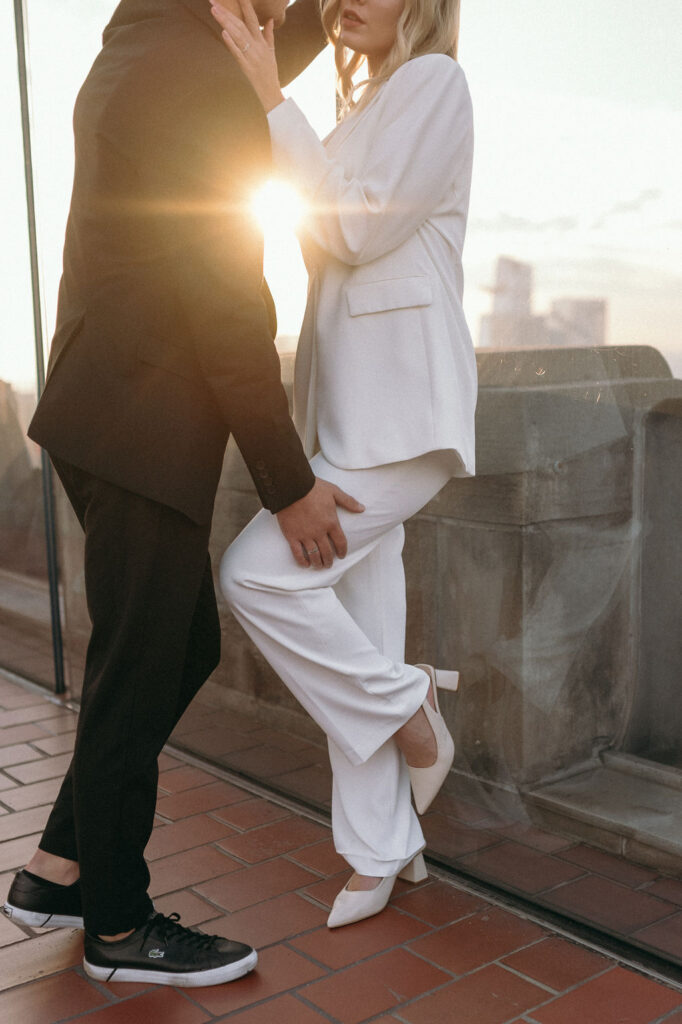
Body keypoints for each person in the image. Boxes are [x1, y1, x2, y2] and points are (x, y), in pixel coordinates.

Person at [3, 0, 364, 987]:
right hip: (139, 422)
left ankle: (55, 865)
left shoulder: (143, 41)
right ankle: (117, 924)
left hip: (107, 408)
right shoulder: (186, 72)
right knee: (137, 667)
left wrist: (306, 22)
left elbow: (251, 48)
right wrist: (289, 484)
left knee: (173, 647)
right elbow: (223, 300)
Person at [213, 0, 476, 927]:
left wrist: (265, 95)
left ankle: (413, 713)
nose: (339, 0)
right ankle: (383, 848)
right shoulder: (355, 115)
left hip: (403, 418)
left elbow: (358, 230)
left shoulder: (434, 85)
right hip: (345, 416)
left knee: (254, 574)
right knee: (360, 623)